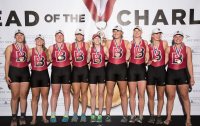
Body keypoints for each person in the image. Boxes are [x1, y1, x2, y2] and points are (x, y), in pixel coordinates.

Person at [164, 31, 195, 126]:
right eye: (176, 37)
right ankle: (169, 117)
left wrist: (191, 77)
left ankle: (188, 118)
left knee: (185, 97)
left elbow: (189, 64)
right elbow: (164, 62)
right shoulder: (169, 48)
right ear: (173, 38)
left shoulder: (187, 49)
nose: (178, 38)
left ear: (182, 38)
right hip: (170, 74)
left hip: (182, 74)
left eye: (180, 36)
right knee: (170, 97)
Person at [4, 30, 30, 126]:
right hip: (14, 72)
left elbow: (28, 60)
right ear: (15, 37)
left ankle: (22, 117)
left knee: (23, 96)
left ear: (24, 37)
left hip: (25, 73)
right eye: (17, 35)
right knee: (15, 96)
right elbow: (7, 63)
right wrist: (6, 76)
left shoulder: (27, 47)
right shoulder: (9, 47)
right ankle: (14, 117)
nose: (19, 36)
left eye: (21, 35)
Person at [105, 25, 129, 123]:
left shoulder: (126, 42)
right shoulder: (108, 42)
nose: (116, 32)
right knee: (109, 93)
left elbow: (129, 55)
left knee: (123, 93)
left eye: (118, 31)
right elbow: (105, 54)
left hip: (122, 68)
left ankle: (125, 115)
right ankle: (107, 115)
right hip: (111, 68)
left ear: (121, 33)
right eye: (114, 31)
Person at [48, 30, 71, 123]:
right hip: (56, 72)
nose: (59, 36)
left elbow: (73, 57)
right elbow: (48, 60)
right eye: (57, 35)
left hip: (66, 71)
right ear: (55, 37)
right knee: (54, 93)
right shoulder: (50, 47)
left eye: (61, 35)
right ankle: (52, 114)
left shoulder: (68, 45)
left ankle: (66, 114)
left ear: (63, 37)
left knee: (66, 93)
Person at [127, 26, 149, 123]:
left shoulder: (145, 42)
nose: (136, 32)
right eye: (135, 30)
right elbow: (127, 56)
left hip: (141, 69)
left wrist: (147, 59)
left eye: (138, 30)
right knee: (132, 94)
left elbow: (147, 54)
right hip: (132, 69)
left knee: (141, 94)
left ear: (141, 32)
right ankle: (132, 115)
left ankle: (140, 115)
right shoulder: (130, 43)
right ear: (133, 32)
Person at [146, 28, 168, 124]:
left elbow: (167, 56)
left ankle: (158, 116)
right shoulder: (148, 46)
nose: (158, 35)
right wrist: (147, 62)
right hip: (151, 71)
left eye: (159, 33)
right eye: (156, 33)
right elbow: (146, 59)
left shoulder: (164, 43)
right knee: (151, 95)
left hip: (161, 71)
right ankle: (152, 115)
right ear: (152, 35)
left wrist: (162, 64)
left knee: (160, 95)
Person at [87, 33, 109, 123]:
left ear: (100, 39)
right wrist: (88, 52)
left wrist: (106, 60)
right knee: (93, 94)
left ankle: (100, 114)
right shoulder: (90, 48)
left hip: (102, 71)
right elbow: (87, 61)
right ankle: (92, 114)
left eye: (98, 38)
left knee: (101, 94)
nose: (96, 40)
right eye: (95, 38)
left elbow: (109, 58)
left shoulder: (104, 48)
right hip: (92, 71)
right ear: (93, 40)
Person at [29, 34, 50, 125]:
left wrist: (43, 66)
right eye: (37, 39)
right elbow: (25, 61)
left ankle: (44, 117)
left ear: (43, 41)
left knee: (45, 97)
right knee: (35, 97)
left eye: (41, 39)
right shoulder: (30, 50)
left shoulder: (46, 51)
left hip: (44, 74)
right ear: (35, 40)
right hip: (34, 75)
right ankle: (34, 118)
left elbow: (49, 61)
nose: (39, 40)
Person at [70, 28, 90, 122]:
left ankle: (83, 114)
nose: (79, 36)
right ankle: (75, 114)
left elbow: (89, 59)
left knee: (84, 93)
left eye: (81, 34)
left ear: (83, 36)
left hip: (84, 70)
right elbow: (69, 58)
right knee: (76, 93)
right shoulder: (71, 46)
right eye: (77, 34)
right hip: (75, 71)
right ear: (75, 35)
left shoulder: (86, 45)